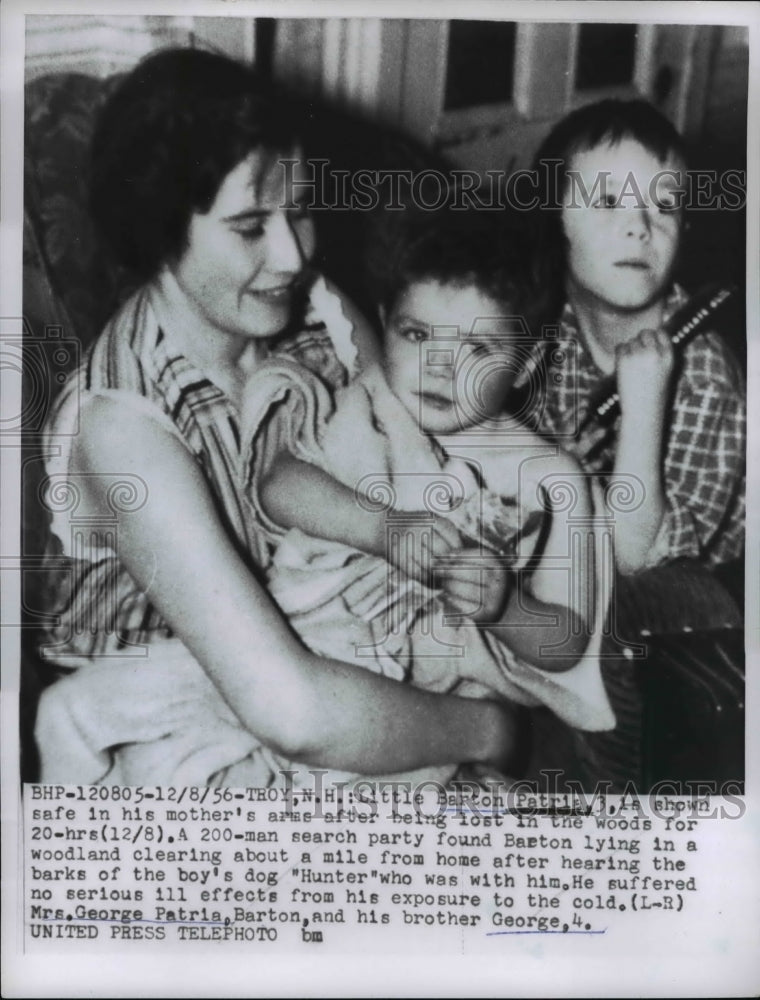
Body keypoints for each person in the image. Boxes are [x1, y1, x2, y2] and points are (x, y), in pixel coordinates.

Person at [32, 48, 520, 788]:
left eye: (300, 211)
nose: (293, 254)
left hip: (320, 627)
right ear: (161, 230)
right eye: (251, 225)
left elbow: (413, 460)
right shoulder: (122, 426)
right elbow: (290, 710)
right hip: (180, 700)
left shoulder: (312, 310)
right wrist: (493, 731)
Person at [241, 210, 614, 786]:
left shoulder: (551, 478)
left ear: (528, 363)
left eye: (478, 347)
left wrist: (504, 606)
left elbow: (565, 641)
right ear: (385, 323)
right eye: (417, 335)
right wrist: (380, 528)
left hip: (438, 696)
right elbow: (279, 488)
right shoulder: (370, 404)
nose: (440, 367)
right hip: (315, 644)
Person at [527, 99, 745, 575]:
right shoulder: (540, 331)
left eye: (664, 206)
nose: (641, 227)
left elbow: (638, 561)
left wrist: (644, 405)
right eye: (607, 202)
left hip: (703, 593)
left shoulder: (705, 376)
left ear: (685, 229)